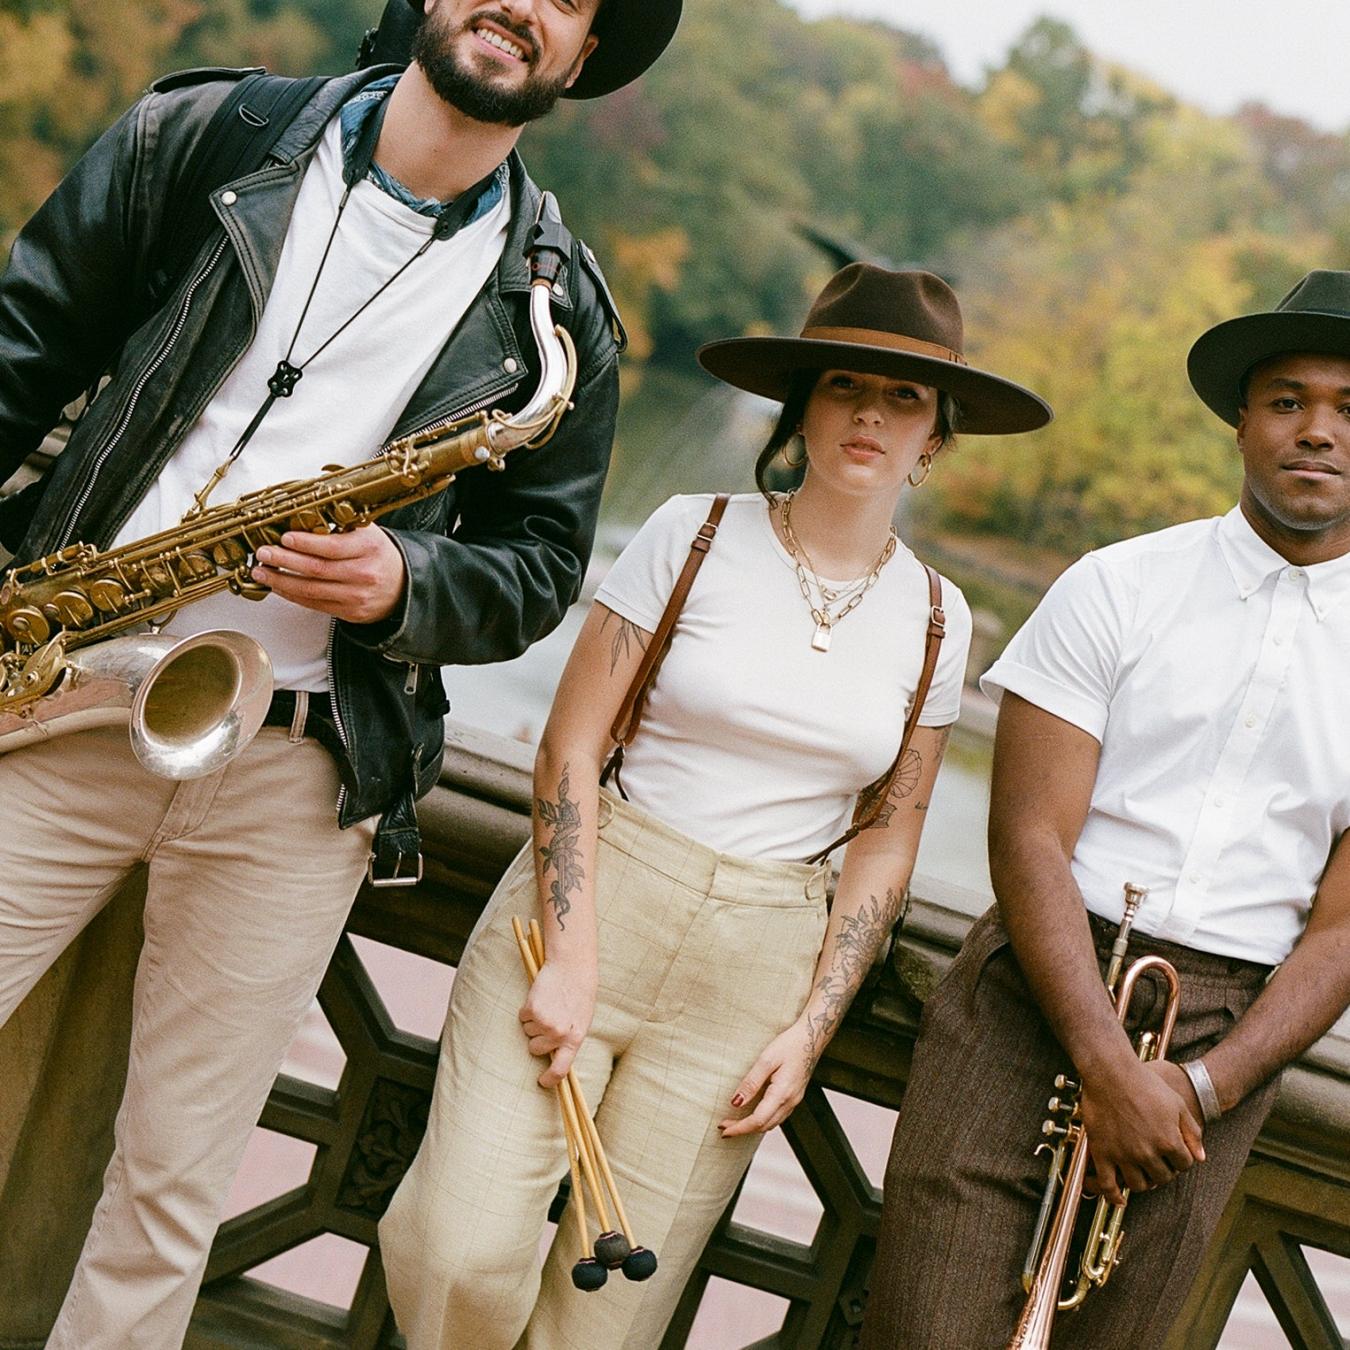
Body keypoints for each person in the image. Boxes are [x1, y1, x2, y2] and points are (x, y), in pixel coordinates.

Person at [0, 1, 683, 1344]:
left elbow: (541, 566)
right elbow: (17, 358)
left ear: (583, 53)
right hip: (64, 679)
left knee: (170, 1188)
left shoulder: (557, 319)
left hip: (293, 770)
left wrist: (407, 585)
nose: (521, 4)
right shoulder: (205, 135)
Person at [378, 263, 1052, 1348]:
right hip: (599, 900)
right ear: (804, 407)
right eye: (845, 385)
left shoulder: (939, 616)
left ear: (936, 440)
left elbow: (887, 841)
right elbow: (570, 745)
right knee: (456, 1249)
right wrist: (572, 945)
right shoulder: (693, 534)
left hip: (757, 970)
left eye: (906, 399)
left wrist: (811, 1027)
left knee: (612, 1316)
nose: (871, 414)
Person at [862, 269, 1350, 1348]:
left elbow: (1345, 929)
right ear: (1240, 422)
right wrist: (1103, 1062)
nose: (1318, 431)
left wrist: (1203, 1084)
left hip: (1227, 1040)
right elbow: (1028, 835)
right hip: (1039, 991)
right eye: (1287, 400)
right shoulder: (1117, 585)